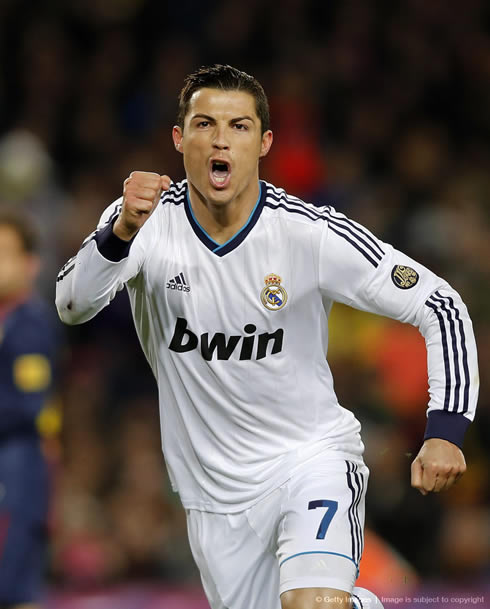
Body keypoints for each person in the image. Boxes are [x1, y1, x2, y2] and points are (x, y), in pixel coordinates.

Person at [55, 65, 478, 609]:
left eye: (239, 126)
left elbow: (438, 303)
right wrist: (120, 233)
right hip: (214, 499)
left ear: (264, 142)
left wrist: (446, 427)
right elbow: (71, 305)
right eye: (205, 124)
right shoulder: (145, 223)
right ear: (180, 139)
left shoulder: (308, 233)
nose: (221, 139)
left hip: (310, 461)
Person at [0, 210, 59, 609]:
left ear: (30, 264)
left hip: (18, 466)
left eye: (4, 252)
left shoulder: (31, 325)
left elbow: (28, 407)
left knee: (12, 586)